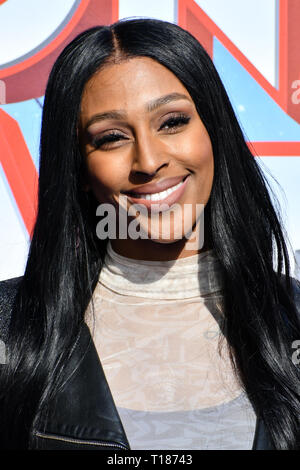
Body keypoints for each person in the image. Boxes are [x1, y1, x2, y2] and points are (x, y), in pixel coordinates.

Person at [0, 18, 299, 451]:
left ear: (214, 133)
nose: (148, 159)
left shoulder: (292, 317)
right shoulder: (11, 330)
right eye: (112, 137)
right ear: (79, 169)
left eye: (172, 122)